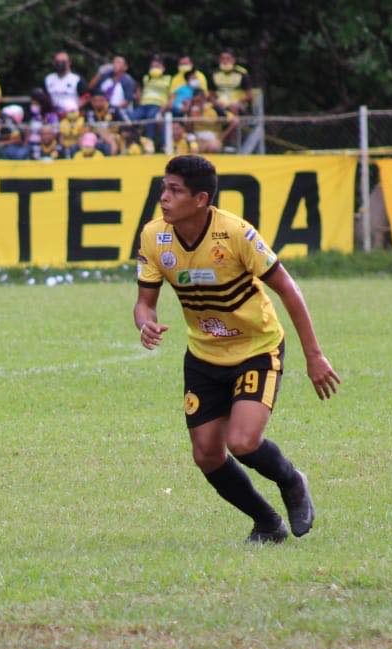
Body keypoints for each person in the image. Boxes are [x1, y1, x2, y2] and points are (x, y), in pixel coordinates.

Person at [134, 155, 338, 544]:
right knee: (206, 455)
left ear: (200, 199)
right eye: (164, 188)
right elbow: (144, 302)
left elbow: (289, 291)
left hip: (256, 348)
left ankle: (292, 482)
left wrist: (314, 355)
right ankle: (267, 523)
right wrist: (145, 322)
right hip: (203, 355)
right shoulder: (154, 236)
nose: (164, 198)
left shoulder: (236, 234)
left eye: (174, 190)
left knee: (243, 442)